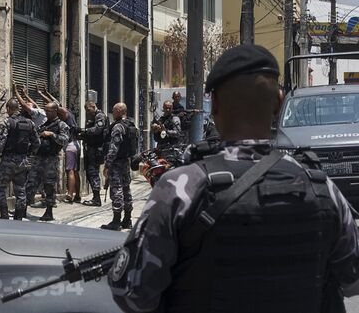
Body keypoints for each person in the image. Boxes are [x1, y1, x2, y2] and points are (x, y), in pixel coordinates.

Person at [107, 44, 359, 313]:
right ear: (279, 102)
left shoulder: (180, 189)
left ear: (214, 104)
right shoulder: (321, 188)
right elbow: (352, 281)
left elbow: (132, 293)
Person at [0, 98, 40, 220]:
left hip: (7, 161)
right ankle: (18, 218)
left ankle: (4, 214)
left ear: (8, 109)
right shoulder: (30, 123)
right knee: (21, 191)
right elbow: (37, 143)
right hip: (22, 162)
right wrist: (28, 154)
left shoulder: (6, 123)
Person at [25, 102, 70, 221]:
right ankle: (22, 209)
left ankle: (49, 212)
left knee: (49, 186)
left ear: (55, 111)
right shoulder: (45, 124)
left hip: (51, 159)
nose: (47, 113)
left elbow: (64, 140)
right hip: (39, 158)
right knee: (31, 183)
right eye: (46, 111)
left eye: (49, 111)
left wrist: (51, 134)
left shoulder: (61, 125)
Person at [101, 103, 137, 231]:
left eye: (114, 111)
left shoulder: (118, 127)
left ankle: (116, 221)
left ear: (119, 111)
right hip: (125, 162)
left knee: (116, 190)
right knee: (126, 189)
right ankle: (127, 219)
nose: (112, 113)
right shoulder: (130, 124)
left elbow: (113, 148)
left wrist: (107, 165)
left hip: (116, 163)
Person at [81, 100, 108, 207]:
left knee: (93, 172)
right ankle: (95, 197)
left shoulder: (100, 116)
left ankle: (97, 199)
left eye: (88, 110)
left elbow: (98, 130)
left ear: (93, 106)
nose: (88, 112)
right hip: (93, 149)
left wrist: (85, 131)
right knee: (91, 172)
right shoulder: (95, 116)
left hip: (96, 149)